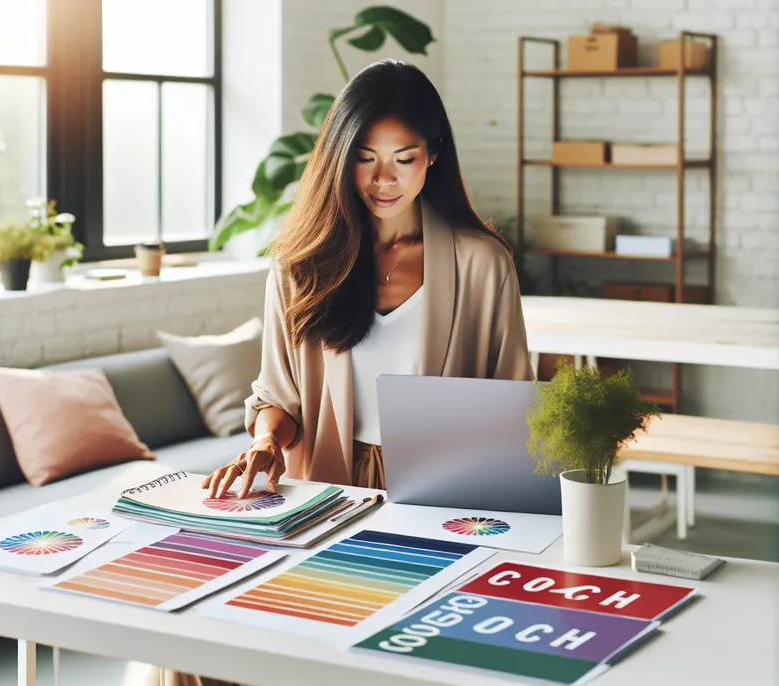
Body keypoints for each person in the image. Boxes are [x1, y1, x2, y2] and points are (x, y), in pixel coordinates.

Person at [145, 58, 534, 686]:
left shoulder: (483, 263)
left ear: (433, 156)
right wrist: (267, 441)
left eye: (403, 158)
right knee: (190, 645)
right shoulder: (299, 265)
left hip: (440, 501)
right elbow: (278, 395)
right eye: (365, 159)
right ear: (338, 157)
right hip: (322, 489)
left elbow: (512, 406)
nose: (383, 179)